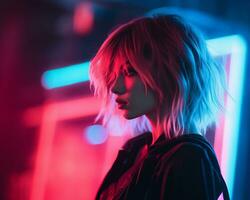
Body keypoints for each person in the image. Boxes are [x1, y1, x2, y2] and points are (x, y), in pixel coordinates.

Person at [89, 14, 230, 200]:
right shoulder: (137, 149)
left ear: (171, 72)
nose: (116, 87)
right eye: (114, 75)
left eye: (130, 71)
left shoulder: (188, 158)